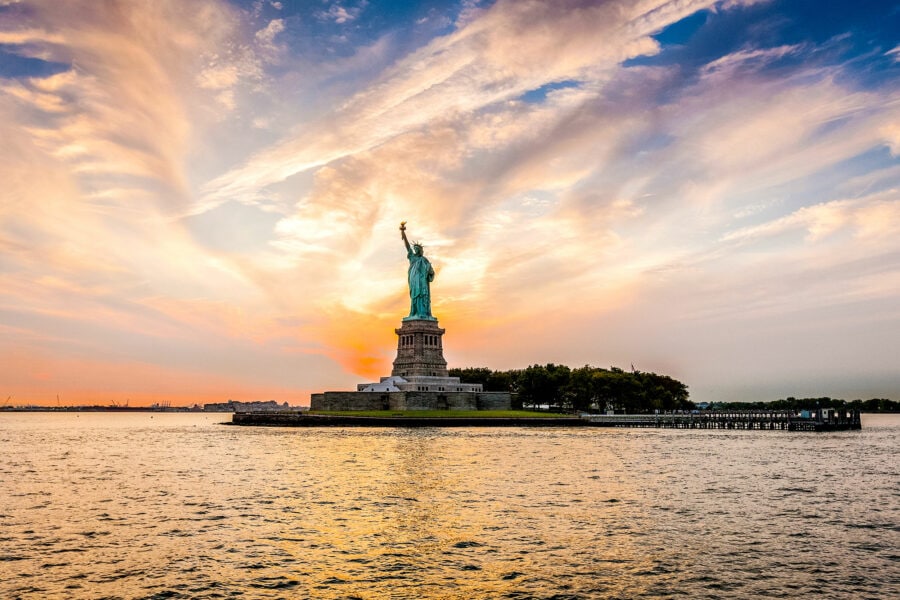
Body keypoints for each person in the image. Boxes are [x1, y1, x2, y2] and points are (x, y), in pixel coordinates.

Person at [400, 222, 434, 319]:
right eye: (415, 249)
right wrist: (403, 233)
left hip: (422, 281)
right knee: (415, 297)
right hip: (414, 281)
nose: (415, 250)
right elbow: (407, 246)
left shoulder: (424, 260)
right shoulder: (412, 257)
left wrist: (430, 271)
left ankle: (423, 313)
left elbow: (431, 272)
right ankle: (414, 313)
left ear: (420, 250)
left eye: (417, 249)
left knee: (422, 296)